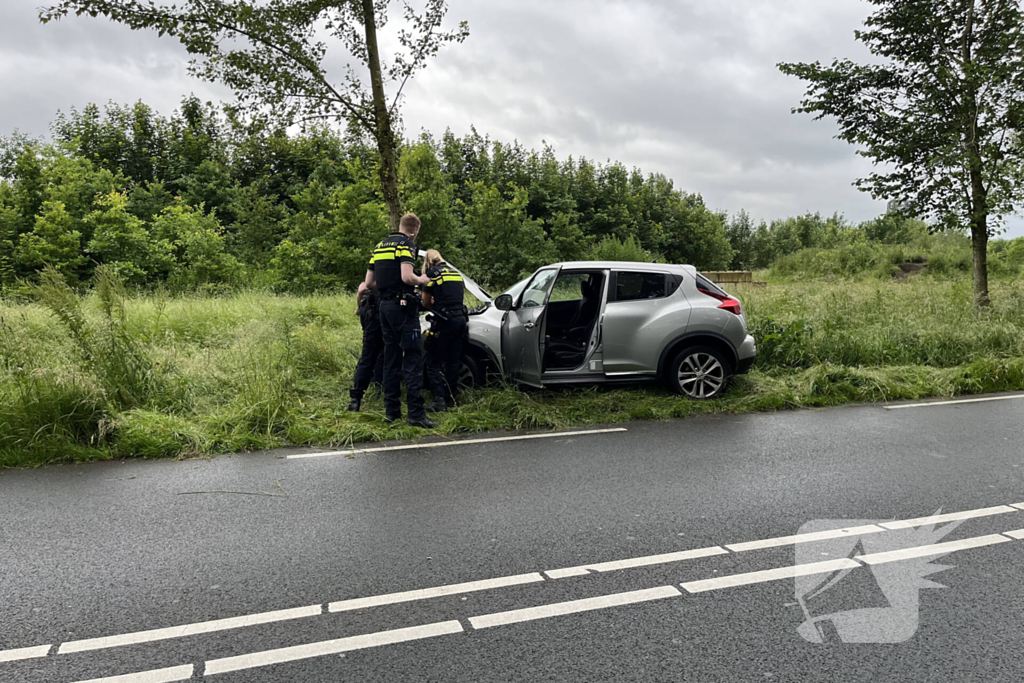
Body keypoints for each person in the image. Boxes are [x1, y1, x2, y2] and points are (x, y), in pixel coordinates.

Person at [362, 213, 437, 428]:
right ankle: (416, 414)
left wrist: (388, 284)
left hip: (384, 307)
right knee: (413, 358)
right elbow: (407, 277)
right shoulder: (407, 244)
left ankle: (391, 412)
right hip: (403, 309)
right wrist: (421, 279)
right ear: (415, 230)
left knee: (391, 358)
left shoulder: (379, 246)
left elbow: (369, 283)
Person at [421, 249, 468, 413]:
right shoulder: (455, 273)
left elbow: (425, 302)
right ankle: (451, 397)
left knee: (433, 361)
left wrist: (430, 301)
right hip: (461, 320)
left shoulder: (432, 274)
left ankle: (439, 400)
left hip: (444, 321)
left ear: (428, 261)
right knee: (453, 361)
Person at [347, 282, 384, 412]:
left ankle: (355, 398)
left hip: (369, 313)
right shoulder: (397, 272)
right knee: (383, 353)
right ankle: (380, 389)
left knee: (368, 355)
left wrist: (358, 307)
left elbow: (362, 289)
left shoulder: (375, 272)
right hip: (382, 313)